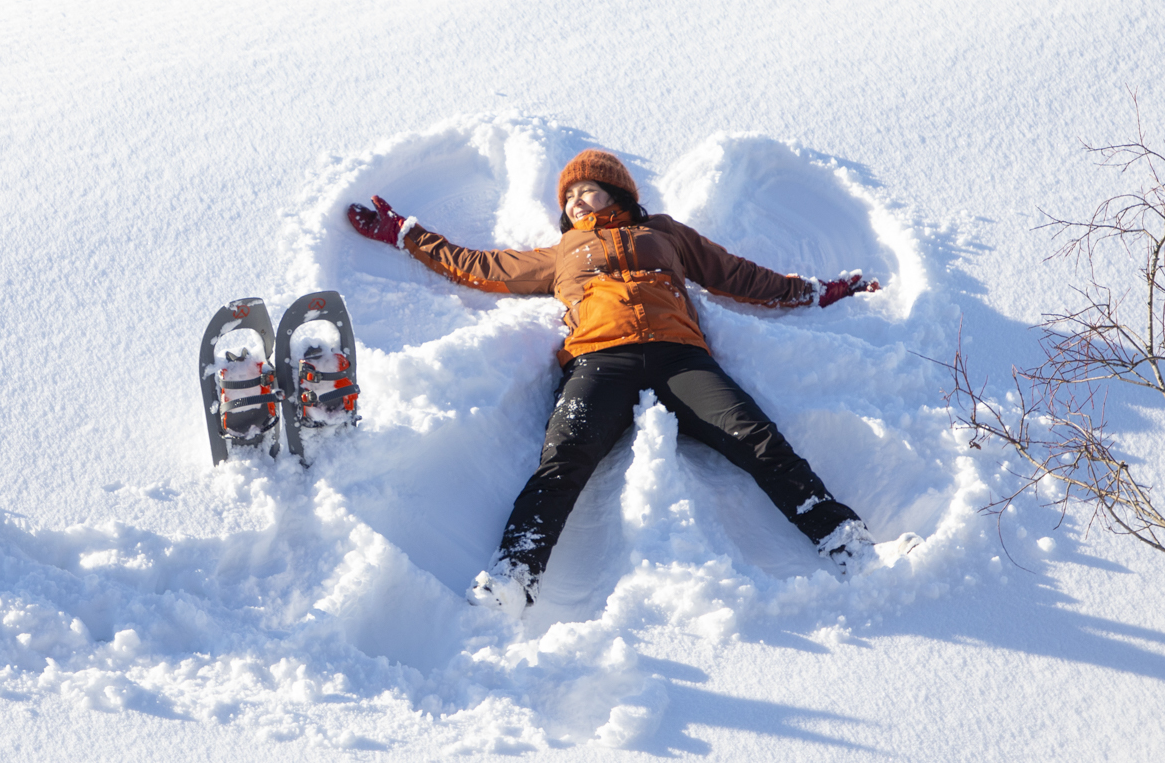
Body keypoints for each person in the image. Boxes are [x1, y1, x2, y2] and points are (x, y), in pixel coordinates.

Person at [347, 148, 881, 621]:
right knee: (564, 458)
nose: (578, 200)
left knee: (756, 437)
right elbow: (482, 266)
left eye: (589, 188)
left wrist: (811, 292)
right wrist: (406, 234)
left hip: (680, 357)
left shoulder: (665, 233)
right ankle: (515, 574)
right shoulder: (564, 252)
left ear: (617, 192)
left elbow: (735, 273)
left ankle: (840, 536)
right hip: (599, 361)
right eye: (571, 194)